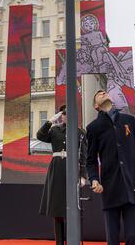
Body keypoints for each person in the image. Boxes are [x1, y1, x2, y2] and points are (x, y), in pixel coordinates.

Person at [87, 90, 135, 245]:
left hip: (133, 187)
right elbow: (91, 160)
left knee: (132, 238)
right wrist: (94, 180)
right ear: (96, 105)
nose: (103, 92)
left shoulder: (129, 120)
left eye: (105, 92)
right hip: (110, 189)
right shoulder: (93, 128)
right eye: (99, 93)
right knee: (112, 240)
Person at [37, 104, 88, 245]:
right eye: (63, 113)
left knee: (73, 210)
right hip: (57, 169)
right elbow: (40, 136)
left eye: (68, 113)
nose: (66, 115)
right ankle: (59, 242)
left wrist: (83, 176)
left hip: (72, 170)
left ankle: (73, 241)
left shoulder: (80, 132)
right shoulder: (54, 130)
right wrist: (50, 121)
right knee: (57, 210)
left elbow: (84, 155)